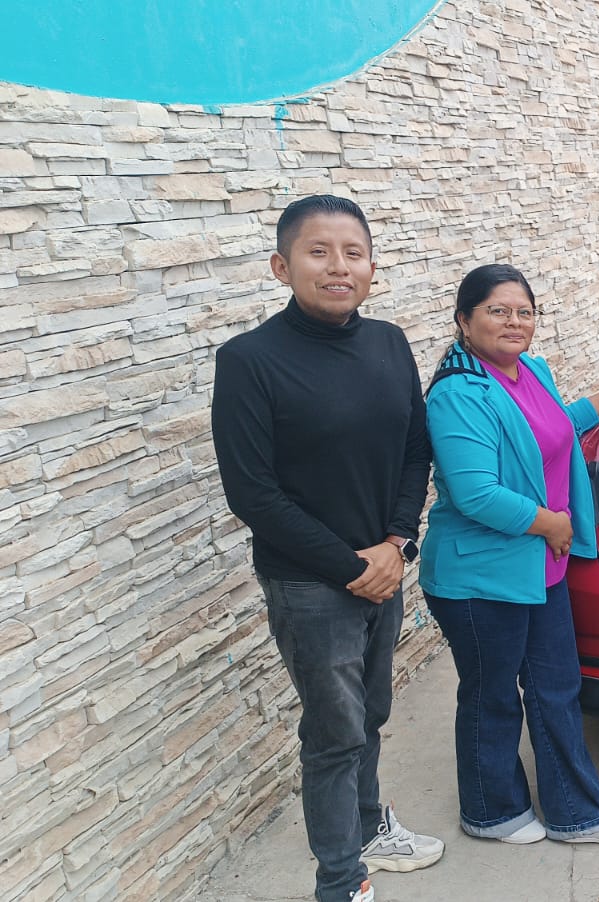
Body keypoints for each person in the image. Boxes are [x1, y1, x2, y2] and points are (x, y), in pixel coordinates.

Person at [213, 195, 443, 902]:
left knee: (371, 713)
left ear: (371, 266)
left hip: (384, 567)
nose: (338, 266)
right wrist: (353, 566)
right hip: (311, 587)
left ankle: (368, 827)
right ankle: (341, 883)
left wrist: (398, 543)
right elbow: (253, 495)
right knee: (335, 735)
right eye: (318, 251)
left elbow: (415, 450)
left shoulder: (388, 343)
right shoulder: (250, 361)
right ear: (282, 267)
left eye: (353, 252)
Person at [420, 263, 599, 849]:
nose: (514, 322)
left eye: (524, 312)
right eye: (497, 311)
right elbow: (475, 492)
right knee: (492, 695)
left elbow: (545, 432)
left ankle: (577, 815)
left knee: (556, 688)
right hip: (479, 575)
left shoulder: (530, 371)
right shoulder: (458, 393)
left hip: (539, 566)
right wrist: (552, 522)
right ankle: (491, 812)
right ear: (464, 320)